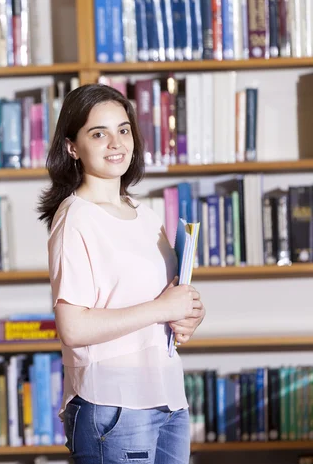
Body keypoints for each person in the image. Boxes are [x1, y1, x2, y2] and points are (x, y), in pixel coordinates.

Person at [38, 83, 206, 464]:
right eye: (99, 133)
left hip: (166, 397)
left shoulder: (141, 212)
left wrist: (189, 312)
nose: (116, 143)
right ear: (72, 147)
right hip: (113, 407)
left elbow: (165, 297)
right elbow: (74, 328)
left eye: (123, 129)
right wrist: (162, 309)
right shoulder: (75, 219)